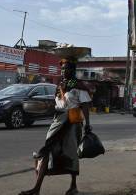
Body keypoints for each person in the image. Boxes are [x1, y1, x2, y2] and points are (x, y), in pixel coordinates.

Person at [19, 58, 91, 195]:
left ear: (73, 70)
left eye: (67, 68)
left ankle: (73, 186)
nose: (64, 71)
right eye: (62, 68)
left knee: (71, 154)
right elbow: (57, 104)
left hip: (72, 124)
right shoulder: (60, 85)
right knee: (48, 150)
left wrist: (88, 124)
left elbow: (85, 105)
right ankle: (37, 188)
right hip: (57, 122)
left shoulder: (79, 86)